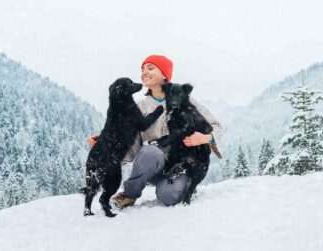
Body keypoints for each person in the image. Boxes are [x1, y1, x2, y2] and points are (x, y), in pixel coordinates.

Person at [87, 55, 222, 207]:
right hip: (154, 164)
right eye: (142, 69)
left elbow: (216, 126)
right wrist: (107, 148)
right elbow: (131, 142)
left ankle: (184, 184)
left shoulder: (186, 100)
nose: (144, 72)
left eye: (150, 68)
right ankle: (130, 194)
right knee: (150, 151)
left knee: (168, 196)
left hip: (181, 165)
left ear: (165, 75)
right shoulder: (139, 106)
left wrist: (204, 138)